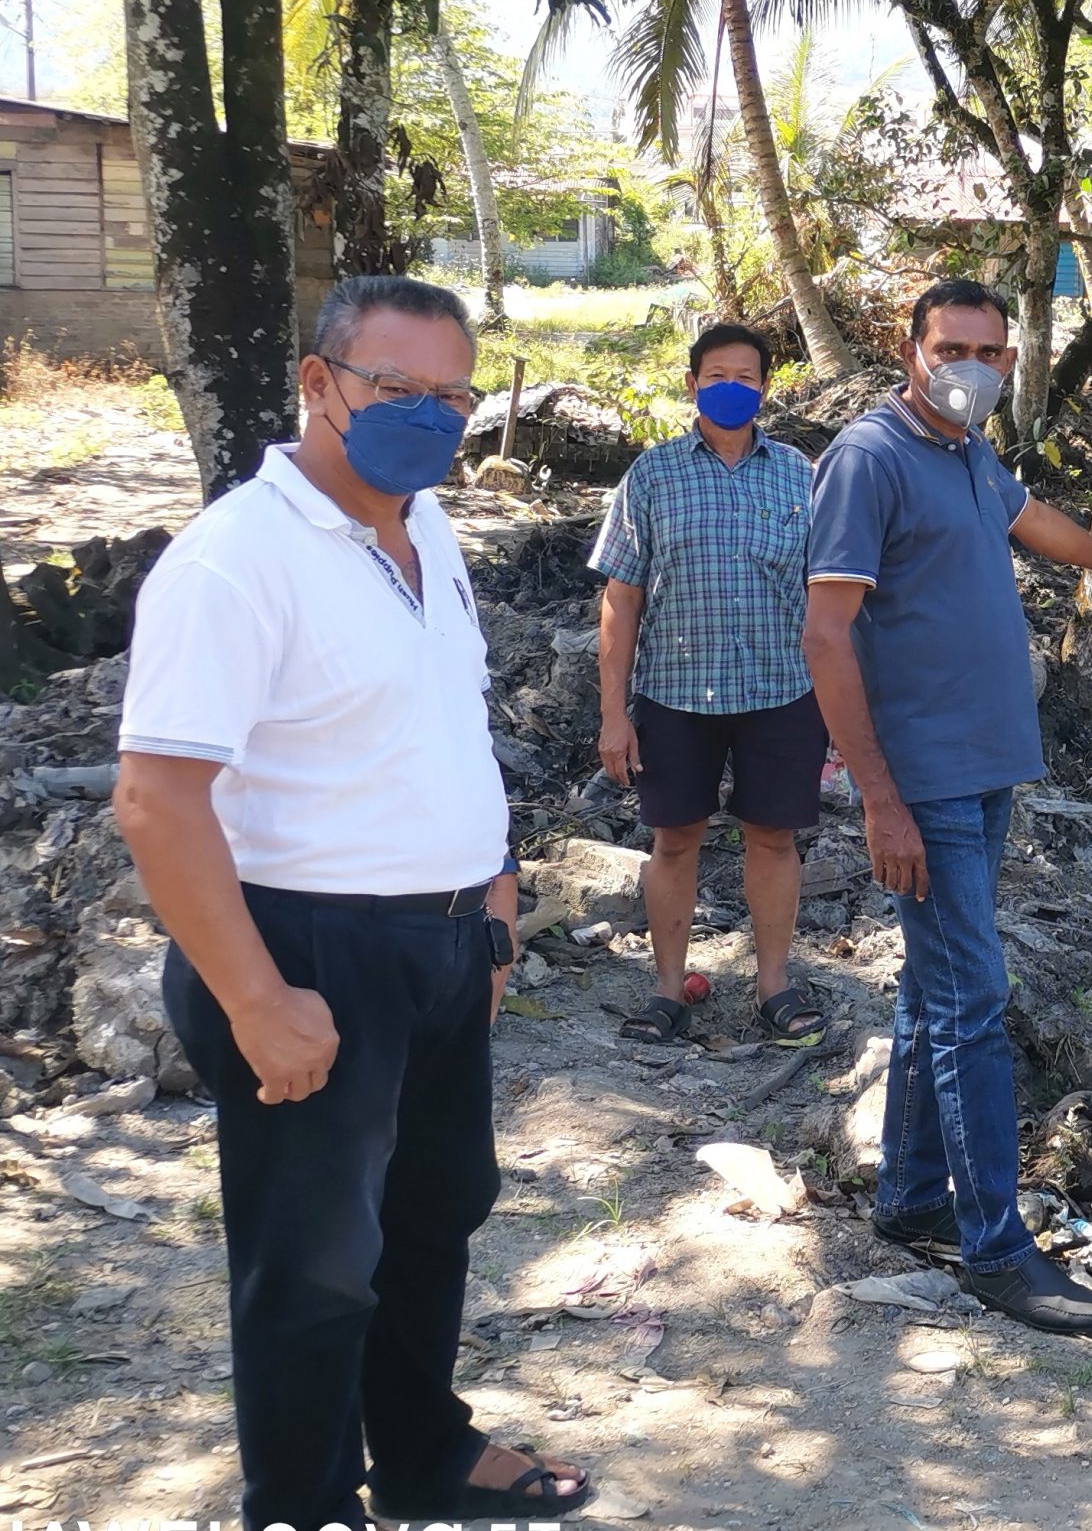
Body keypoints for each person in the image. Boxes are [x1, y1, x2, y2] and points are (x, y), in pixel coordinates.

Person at [114, 276, 590, 1529]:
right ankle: (306, 1501)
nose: (428, 418)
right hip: (303, 948)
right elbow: (158, 803)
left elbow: (445, 726)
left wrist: (489, 905)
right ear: (319, 386)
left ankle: (423, 1449)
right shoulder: (234, 561)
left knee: (436, 1214)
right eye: (397, 389)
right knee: (314, 1268)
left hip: (439, 941)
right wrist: (258, 999)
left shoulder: (422, 528)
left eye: (452, 395)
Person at [802, 278, 1092, 1330]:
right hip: (920, 780)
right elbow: (826, 636)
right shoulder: (869, 457)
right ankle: (994, 1250)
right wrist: (879, 800)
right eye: (951, 345)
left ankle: (911, 1197)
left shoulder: (966, 451)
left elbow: (1032, 521)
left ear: (1010, 362)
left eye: (988, 349)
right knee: (974, 1002)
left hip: (984, 769)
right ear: (910, 345)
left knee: (934, 994)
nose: (968, 363)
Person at [591, 323, 827, 1047]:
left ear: (766, 387)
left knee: (774, 837)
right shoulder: (652, 475)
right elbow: (620, 599)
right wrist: (613, 714)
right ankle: (667, 987)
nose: (732, 386)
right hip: (674, 694)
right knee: (674, 839)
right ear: (691, 383)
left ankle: (774, 985)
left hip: (781, 689)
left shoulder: (800, 474)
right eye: (716, 373)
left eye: (747, 375)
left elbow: (831, 595)